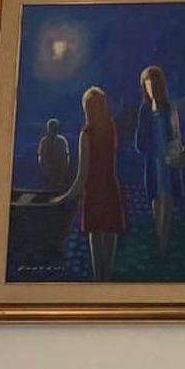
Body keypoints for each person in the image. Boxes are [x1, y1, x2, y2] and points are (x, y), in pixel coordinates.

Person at [55, 85, 125, 280]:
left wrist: (65, 197)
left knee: (95, 236)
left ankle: (98, 281)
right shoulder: (111, 128)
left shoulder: (86, 134)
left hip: (94, 191)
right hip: (110, 187)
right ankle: (107, 279)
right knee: (110, 233)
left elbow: (82, 176)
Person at [135, 64, 185, 258]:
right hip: (154, 162)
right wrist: (150, 148)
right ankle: (159, 241)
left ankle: (163, 242)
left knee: (168, 199)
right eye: (147, 86)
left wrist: (177, 151)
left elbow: (177, 135)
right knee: (157, 200)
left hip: (169, 162)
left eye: (153, 85)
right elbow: (139, 141)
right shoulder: (145, 110)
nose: (151, 90)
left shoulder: (170, 108)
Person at [36, 118, 71, 192]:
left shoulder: (62, 141)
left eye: (55, 127)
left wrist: (61, 176)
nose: (53, 129)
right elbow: (41, 159)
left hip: (60, 173)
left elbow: (65, 158)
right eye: (51, 127)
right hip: (47, 175)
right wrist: (48, 174)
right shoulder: (44, 142)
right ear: (48, 128)